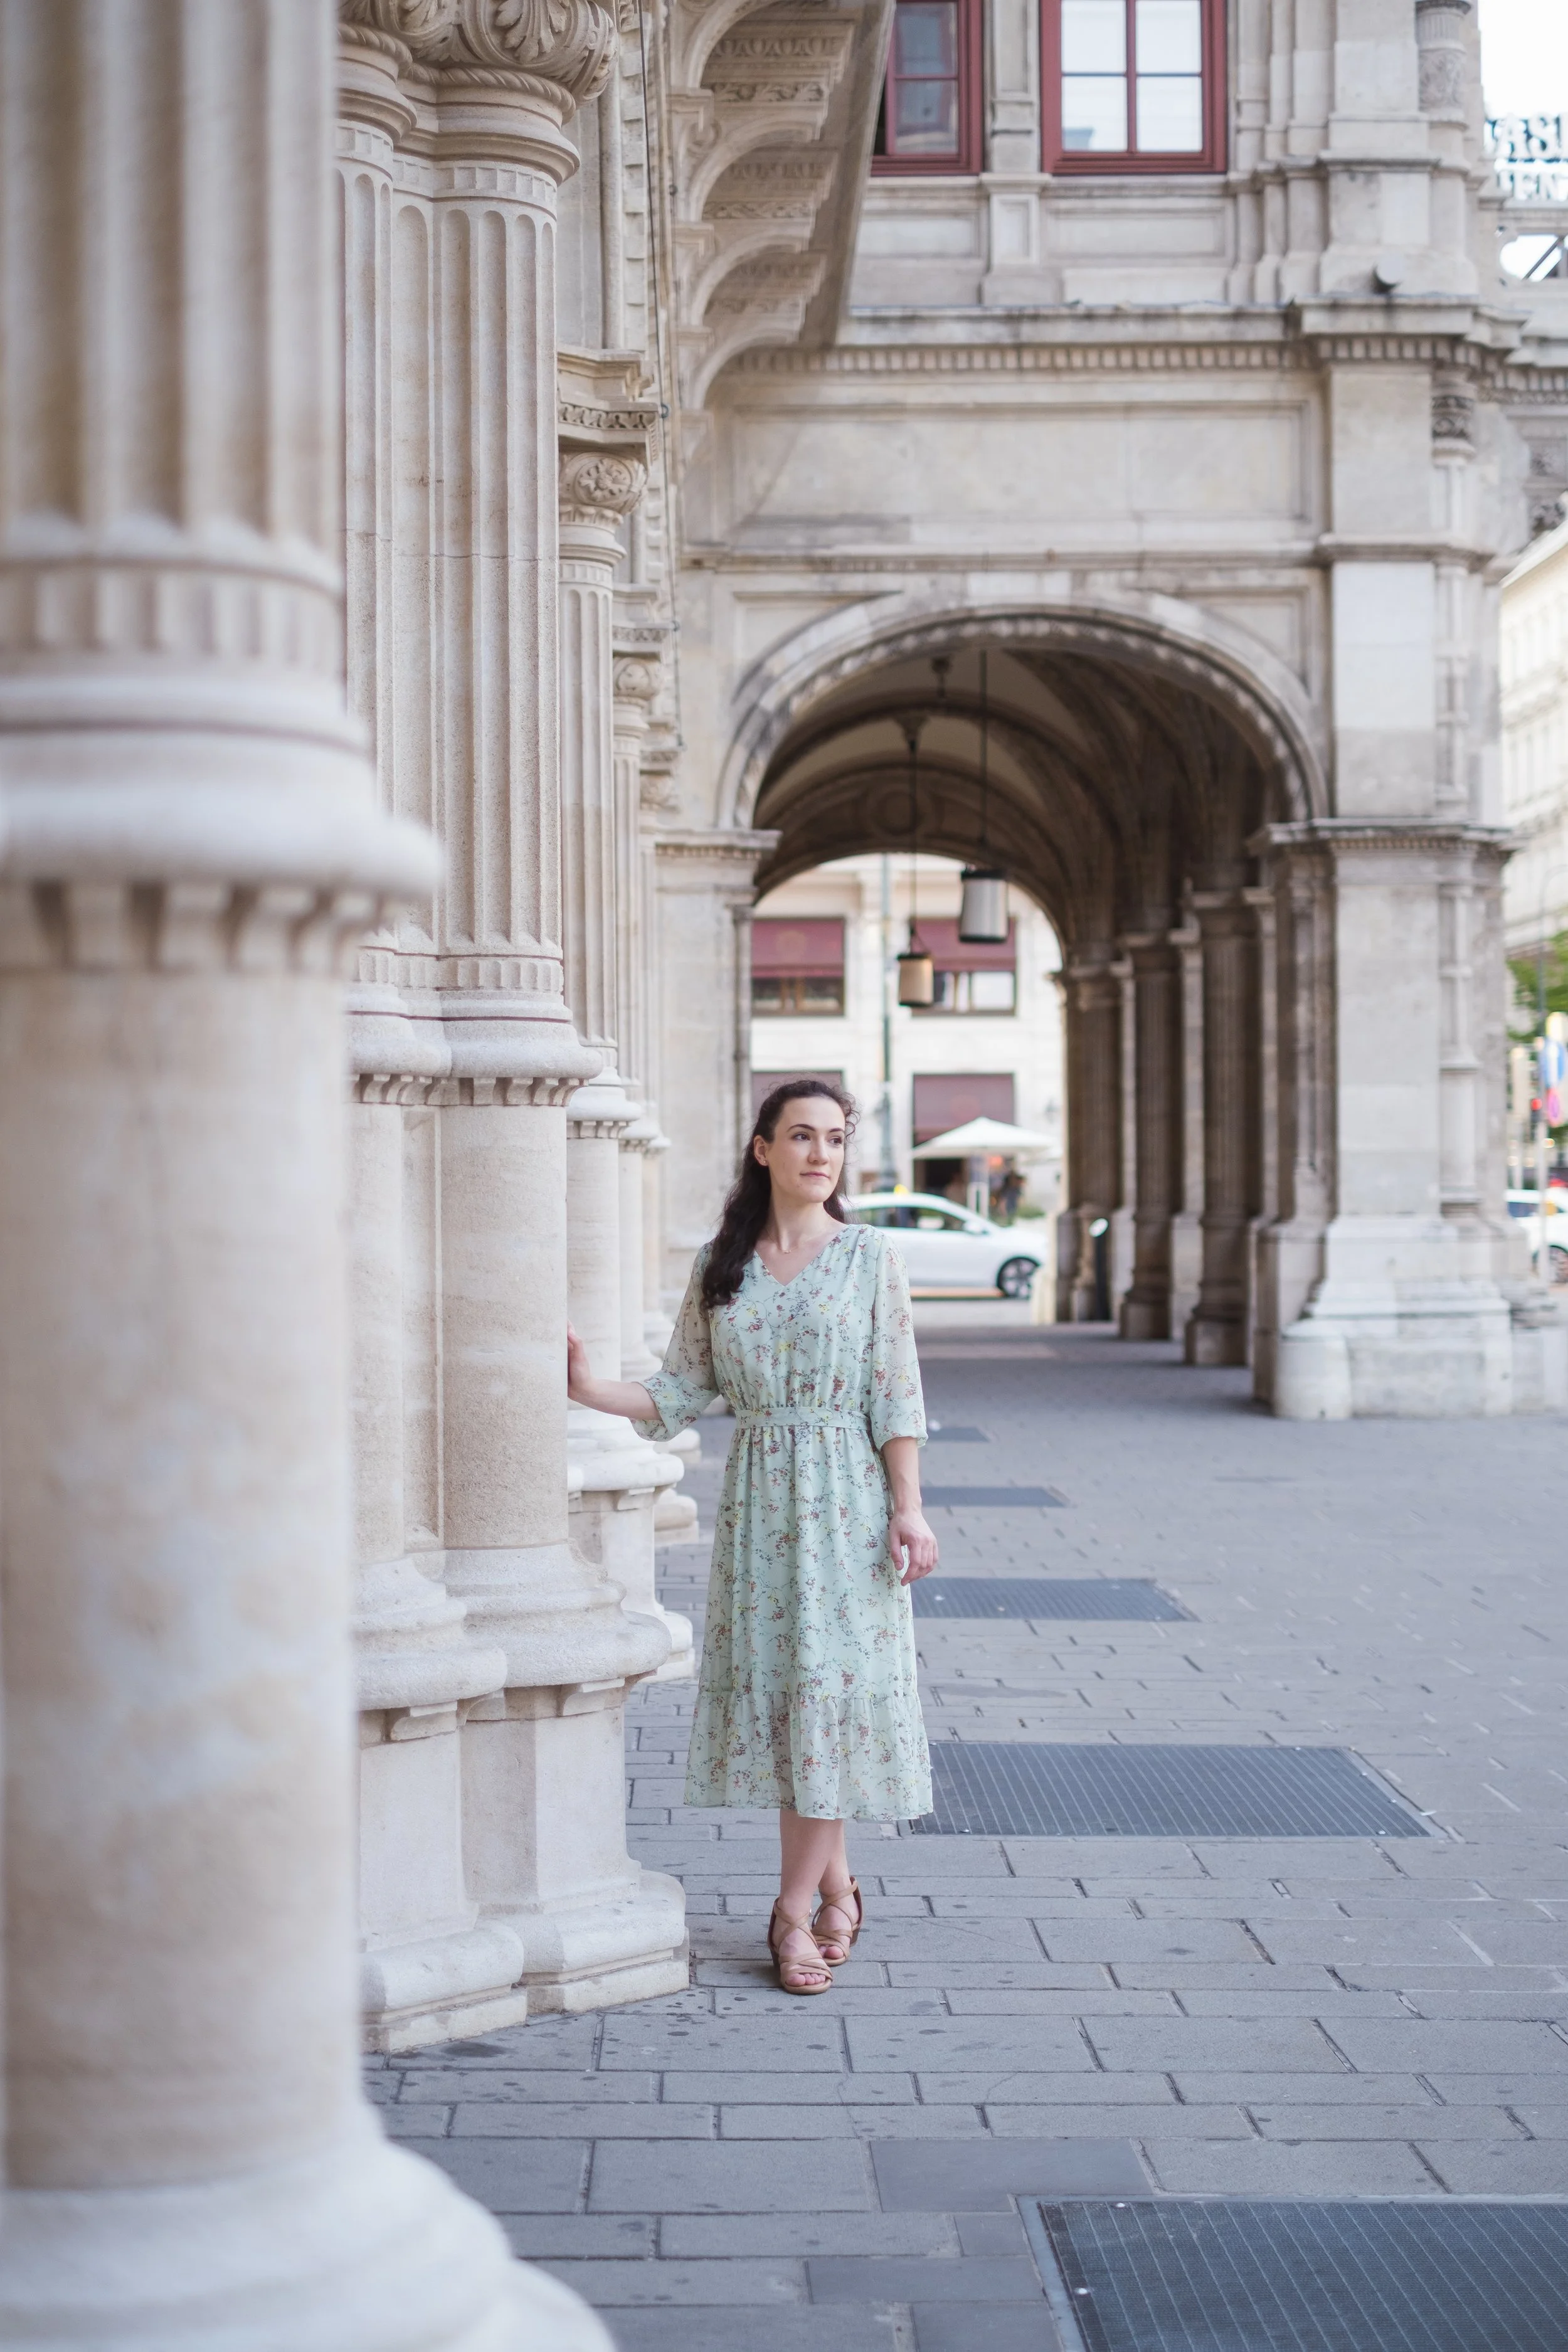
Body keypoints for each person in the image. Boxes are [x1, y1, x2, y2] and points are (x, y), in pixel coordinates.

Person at [566, 1079, 938, 1996]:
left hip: (846, 1507)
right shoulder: (720, 1264)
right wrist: (585, 1389)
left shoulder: (869, 1256)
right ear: (763, 1148)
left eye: (837, 1139)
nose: (822, 1153)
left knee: (826, 1700)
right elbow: (679, 1390)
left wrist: (909, 1505)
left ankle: (790, 1911)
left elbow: (896, 1391)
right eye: (802, 1136)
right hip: (762, 1511)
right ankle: (840, 1885)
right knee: (792, 1710)